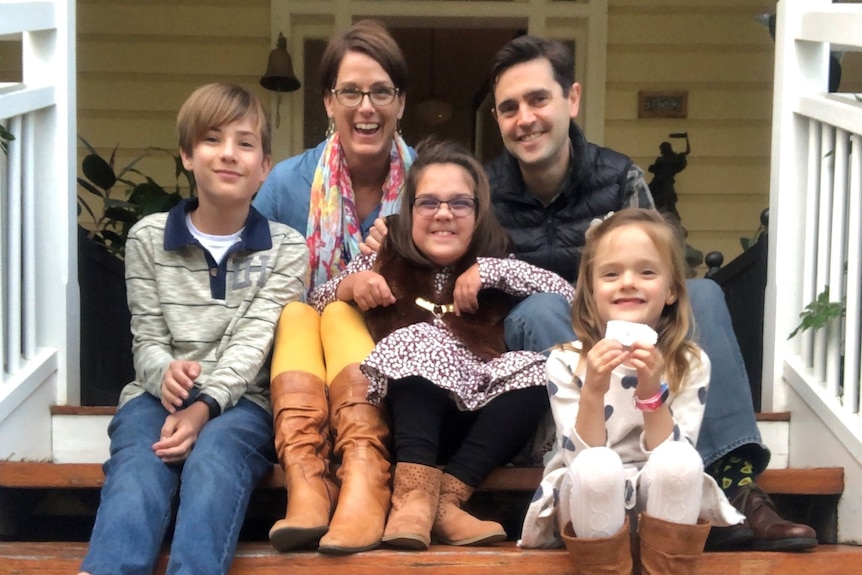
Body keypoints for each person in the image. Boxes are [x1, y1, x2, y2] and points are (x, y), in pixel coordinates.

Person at [484, 34, 818, 552]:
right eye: (509, 108)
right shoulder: (484, 192)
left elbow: (664, 271)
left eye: (537, 99)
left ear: (571, 100)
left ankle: (730, 481)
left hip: (639, 332)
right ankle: (599, 475)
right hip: (553, 344)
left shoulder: (618, 177)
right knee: (542, 307)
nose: (524, 117)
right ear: (499, 121)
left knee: (703, 292)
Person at [77, 83, 308, 575]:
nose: (229, 154)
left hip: (243, 401)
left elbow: (255, 341)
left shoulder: (287, 248)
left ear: (265, 166)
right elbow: (147, 337)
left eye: (245, 143)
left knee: (214, 463)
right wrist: (165, 375)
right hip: (153, 396)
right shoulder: (147, 238)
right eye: (212, 139)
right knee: (139, 467)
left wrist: (204, 406)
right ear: (187, 154)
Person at [310, 138, 575, 551]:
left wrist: (491, 273)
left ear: (478, 212)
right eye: (428, 203)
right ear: (410, 210)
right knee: (419, 338)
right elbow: (314, 300)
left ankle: (446, 502)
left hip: (477, 429)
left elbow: (566, 294)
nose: (444, 215)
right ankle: (411, 500)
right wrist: (351, 284)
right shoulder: (384, 256)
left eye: (459, 203)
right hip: (406, 419)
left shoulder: (494, 260)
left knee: (543, 367)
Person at [252, 19, 413, 554]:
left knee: (337, 314)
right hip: (302, 374)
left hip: (401, 360)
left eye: (381, 92)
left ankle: (363, 476)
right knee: (300, 314)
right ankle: (309, 483)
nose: (366, 107)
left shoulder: (432, 189)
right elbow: (256, 292)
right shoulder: (286, 186)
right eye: (351, 92)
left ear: (400, 102)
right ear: (328, 101)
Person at [520, 209, 746, 573]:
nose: (627, 282)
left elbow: (675, 452)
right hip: (587, 491)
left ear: (672, 289)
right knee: (599, 465)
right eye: (611, 273)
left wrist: (650, 388)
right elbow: (579, 457)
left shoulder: (689, 362)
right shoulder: (567, 361)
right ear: (592, 292)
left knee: (681, 460)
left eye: (646, 272)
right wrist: (594, 388)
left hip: (659, 491)